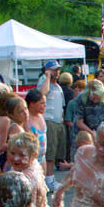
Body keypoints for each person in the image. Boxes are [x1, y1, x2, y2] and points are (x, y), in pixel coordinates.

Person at [36, 60, 66, 192]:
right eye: (54, 69)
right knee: (49, 153)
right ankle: (48, 179)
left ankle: (50, 178)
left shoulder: (58, 86)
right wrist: (47, 76)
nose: (57, 72)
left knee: (55, 153)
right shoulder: (44, 82)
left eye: (58, 69)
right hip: (49, 120)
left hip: (59, 121)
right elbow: (42, 93)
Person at [25, 89, 48, 169]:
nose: (45, 105)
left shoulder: (41, 115)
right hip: (30, 161)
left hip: (42, 159)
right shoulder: (26, 119)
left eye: (45, 103)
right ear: (32, 104)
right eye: (42, 103)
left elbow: (46, 89)